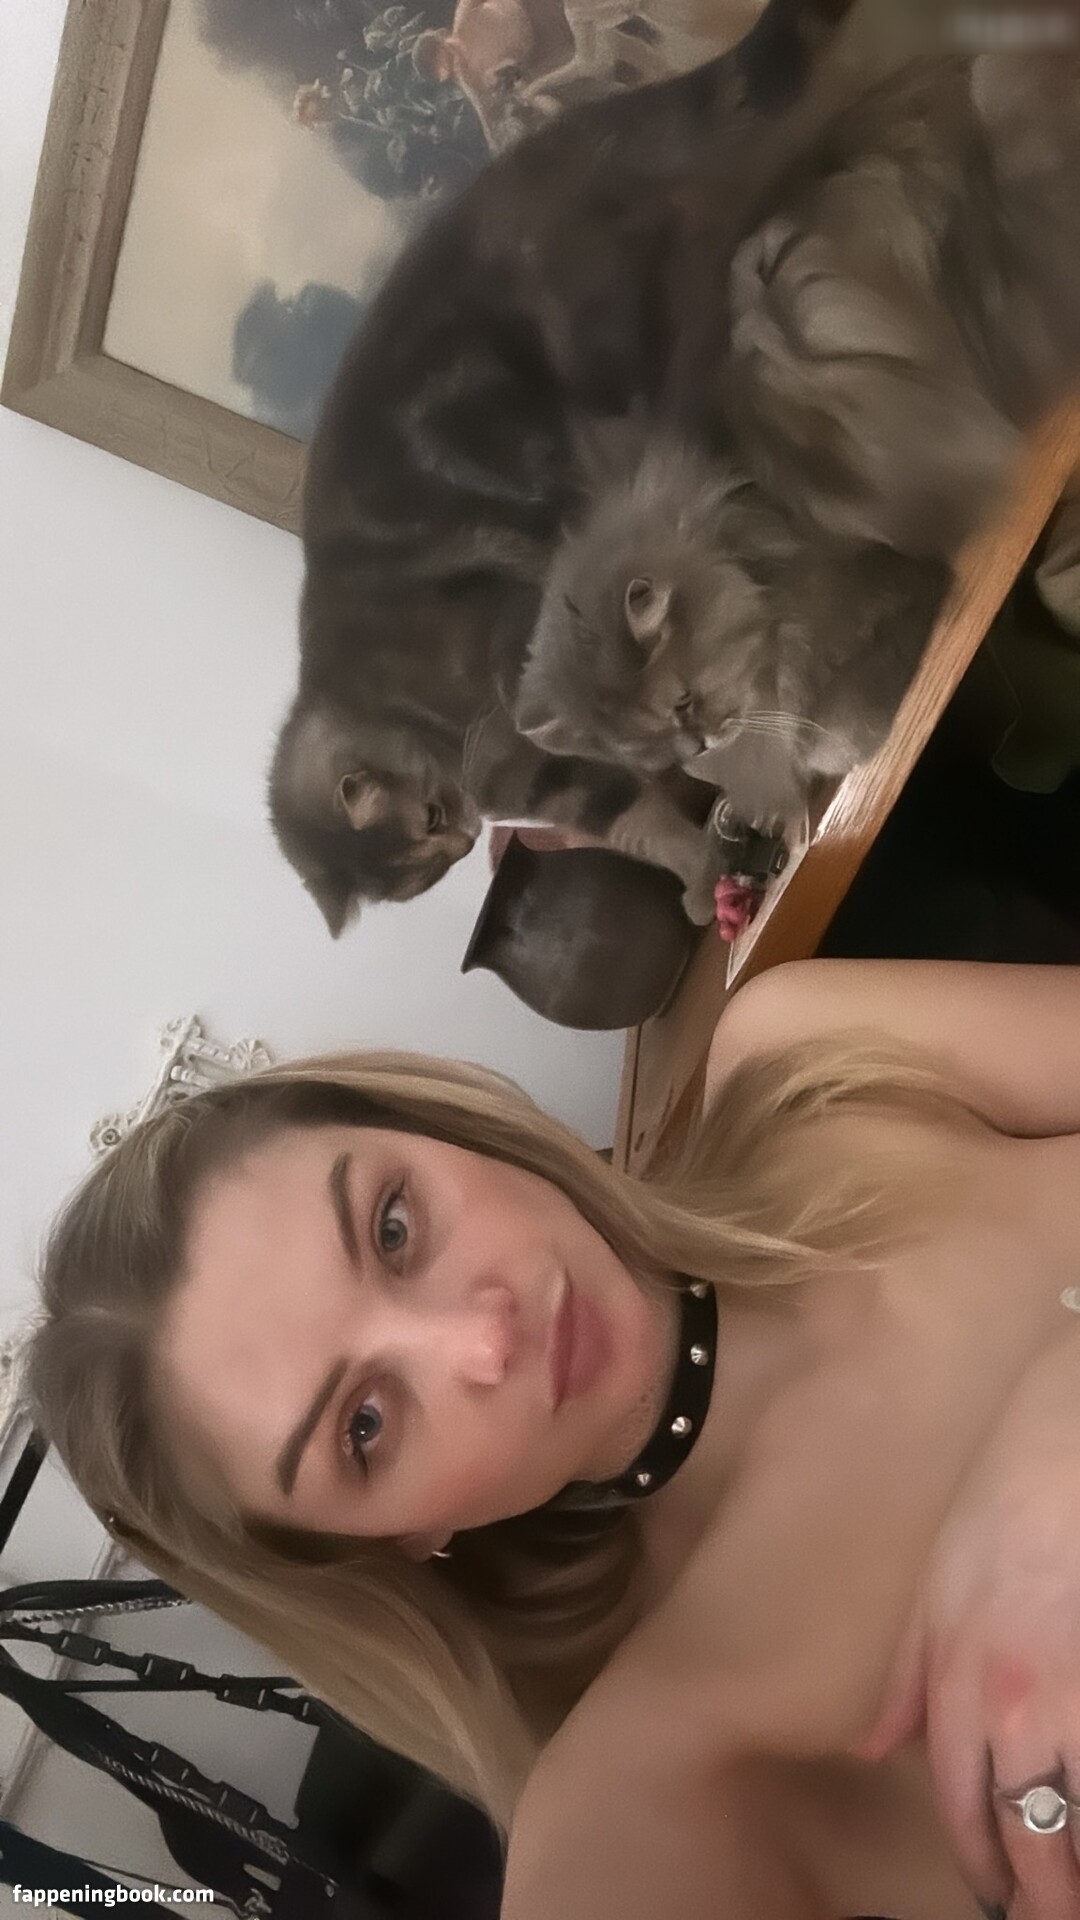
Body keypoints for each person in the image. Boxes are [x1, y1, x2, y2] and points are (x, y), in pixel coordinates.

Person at [27, 959, 1080, 1920]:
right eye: (366, 1427)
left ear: (437, 1128)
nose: (486, 1342)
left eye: (395, 1227)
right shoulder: (652, 1790)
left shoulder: (808, 1057)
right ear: (398, 1539)